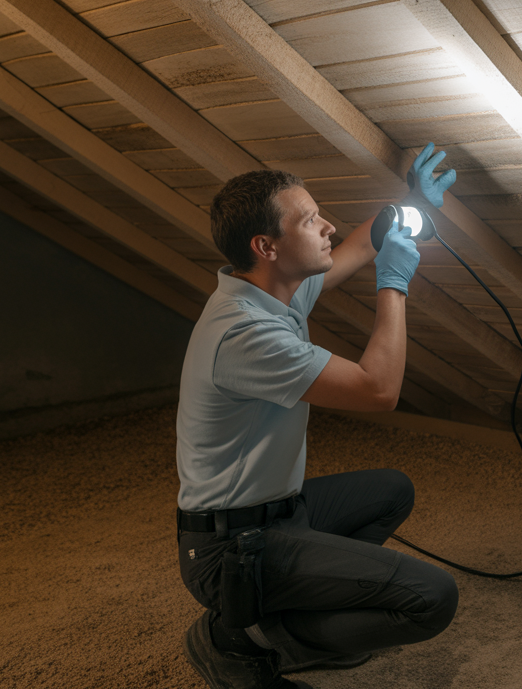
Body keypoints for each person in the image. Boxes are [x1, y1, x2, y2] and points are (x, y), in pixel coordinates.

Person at [175, 145, 460, 689]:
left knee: (391, 491)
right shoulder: (245, 334)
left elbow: (359, 244)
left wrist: (414, 202)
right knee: (432, 598)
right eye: (309, 220)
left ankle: (304, 615)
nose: (327, 226)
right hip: (231, 550)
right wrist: (394, 284)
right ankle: (239, 639)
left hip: (281, 513)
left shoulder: (271, 291)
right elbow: (379, 391)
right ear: (267, 247)